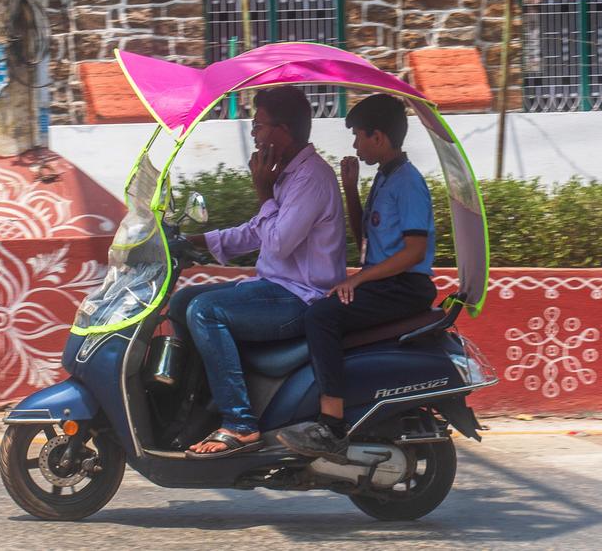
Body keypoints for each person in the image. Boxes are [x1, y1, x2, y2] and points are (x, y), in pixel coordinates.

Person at [168, 86, 346, 459]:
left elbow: (277, 242)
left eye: (258, 125)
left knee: (205, 311)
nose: (254, 134)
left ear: (283, 131)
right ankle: (199, 404)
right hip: (275, 288)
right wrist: (193, 241)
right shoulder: (289, 175)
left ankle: (240, 423)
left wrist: (263, 191)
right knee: (183, 301)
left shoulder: (311, 178)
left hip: (299, 297)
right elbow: (258, 230)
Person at [277, 94, 437, 461]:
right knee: (322, 308)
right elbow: (364, 238)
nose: (354, 145)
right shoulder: (385, 176)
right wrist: (350, 188)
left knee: (321, 316)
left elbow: (414, 251)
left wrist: (358, 280)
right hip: (385, 282)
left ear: (378, 137)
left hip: (404, 287)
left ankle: (331, 425)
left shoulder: (408, 182)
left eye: (358, 136)